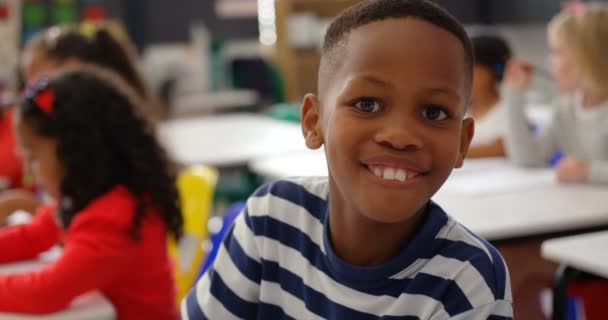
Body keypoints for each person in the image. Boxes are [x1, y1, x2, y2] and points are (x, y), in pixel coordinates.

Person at [182, 0, 512, 319]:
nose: (399, 135)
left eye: (434, 112)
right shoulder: (270, 220)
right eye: (367, 104)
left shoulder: (467, 281)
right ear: (314, 122)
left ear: (462, 142)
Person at [0, 67, 182, 319]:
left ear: (76, 153)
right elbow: (32, 236)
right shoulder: (88, 199)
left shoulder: (113, 218)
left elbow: (43, 292)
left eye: (34, 157)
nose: (30, 172)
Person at [0, 24, 163, 221]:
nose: (30, 96)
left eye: (38, 83)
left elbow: (79, 229)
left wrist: (25, 205)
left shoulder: (102, 151)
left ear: (72, 70)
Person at [504, 2, 608, 184]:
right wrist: (515, 96)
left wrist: (590, 172)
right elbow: (529, 158)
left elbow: (589, 173)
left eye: (557, 52)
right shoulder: (565, 107)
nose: (549, 61)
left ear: (589, 56)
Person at [466, 32, 512, 158]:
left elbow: (505, 147)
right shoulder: (459, 111)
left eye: (469, 67)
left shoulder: (508, 110)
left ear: (493, 70)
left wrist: (450, 153)